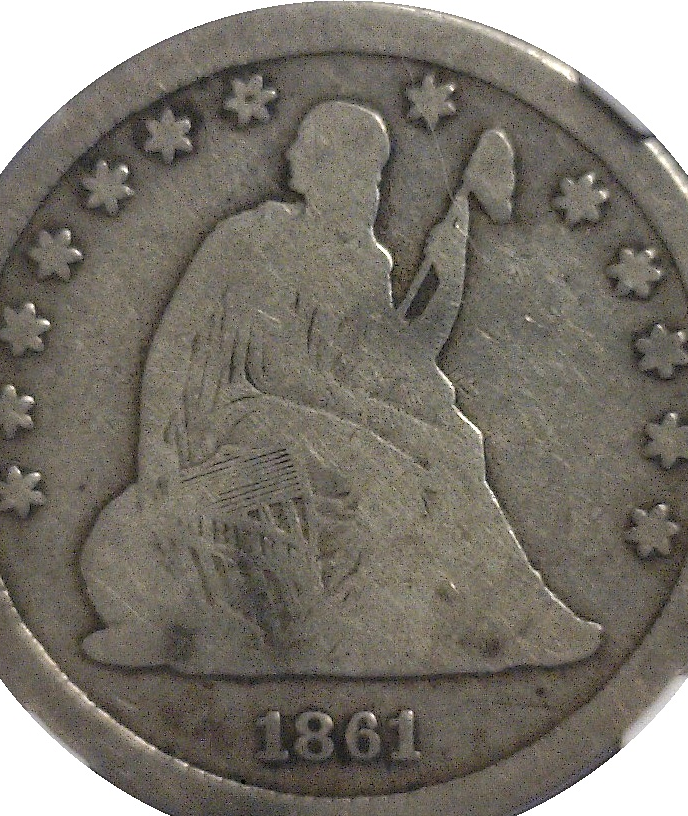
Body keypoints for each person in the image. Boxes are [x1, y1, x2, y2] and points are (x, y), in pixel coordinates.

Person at [81, 101, 602, 675]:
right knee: (387, 466)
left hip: (310, 412)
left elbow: (392, 363)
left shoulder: (367, 261)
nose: (291, 156)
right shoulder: (255, 237)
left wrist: (445, 274)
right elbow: (235, 362)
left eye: (371, 174)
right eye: (308, 148)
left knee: (459, 445)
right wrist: (156, 459)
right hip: (238, 416)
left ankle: (517, 618)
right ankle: (414, 626)